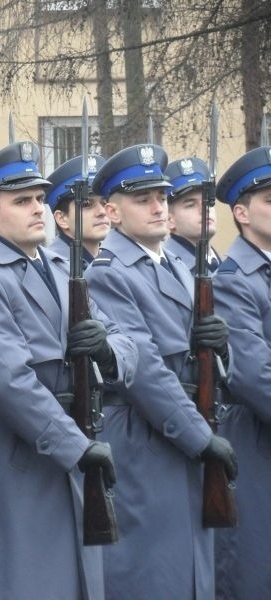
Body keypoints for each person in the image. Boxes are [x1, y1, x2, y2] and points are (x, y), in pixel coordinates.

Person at [0, 141, 135, 600]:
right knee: (26, 579)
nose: (38, 208)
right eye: (22, 201)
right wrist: (76, 447)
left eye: (39, 198)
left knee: (77, 580)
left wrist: (109, 351)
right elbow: (7, 381)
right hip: (21, 453)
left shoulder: (61, 266)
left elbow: (125, 336)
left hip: (71, 437)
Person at [85, 144, 238, 599]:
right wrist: (200, 437)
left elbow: (201, 361)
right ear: (112, 211)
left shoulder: (175, 263)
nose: (157, 207)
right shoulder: (110, 273)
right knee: (153, 573)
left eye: (161, 196)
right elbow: (145, 370)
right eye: (142, 199)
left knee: (192, 569)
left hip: (184, 429)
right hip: (146, 437)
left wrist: (218, 350)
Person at [211, 147, 271, 599]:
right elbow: (252, 373)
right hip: (255, 442)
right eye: (269, 199)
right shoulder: (235, 280)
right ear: (241, 213)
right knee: (254, 569)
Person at [45, 153, 109, 264]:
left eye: (104, 203)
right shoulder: (52, 267)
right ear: (62, 218)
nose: (102, 212)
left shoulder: (110, 260)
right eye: (87, 204)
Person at [163, 156, 220, 274]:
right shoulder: (166, 270)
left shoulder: (220, 264)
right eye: (190, 205)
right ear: (169, 219)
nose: (204, 210)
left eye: (207, 202)